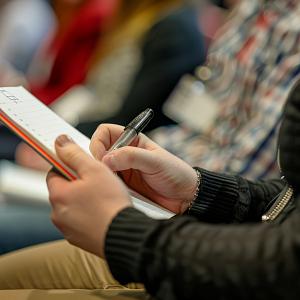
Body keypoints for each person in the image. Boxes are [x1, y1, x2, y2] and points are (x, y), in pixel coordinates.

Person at [0, 80, 300, 300]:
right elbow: (290, 199)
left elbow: (287, 268)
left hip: (239, 270)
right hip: (223, 245)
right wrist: (200, 190)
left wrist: (122, 232)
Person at [149, 0, 300, 180]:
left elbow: (247, 173)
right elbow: (198, 122)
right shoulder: (252, 7)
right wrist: (147, 150)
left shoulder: (294, 29)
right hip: (194, 171)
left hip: (212, 191)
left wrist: (160, 164)